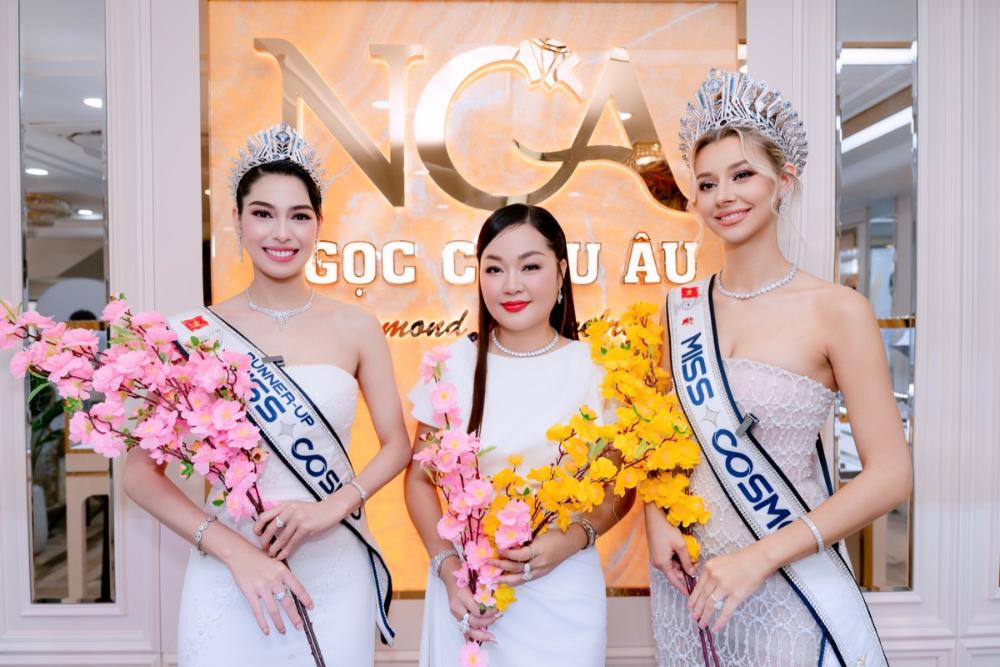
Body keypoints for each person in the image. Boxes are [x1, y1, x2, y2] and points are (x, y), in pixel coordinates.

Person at [646, 70, 912, 667]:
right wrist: (654, 518)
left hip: (790, 586)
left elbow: (891, 476)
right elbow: (659, 442)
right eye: (707, 182)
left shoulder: (837, 310)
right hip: (690, 585)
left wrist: (760, 557)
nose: (724, 195)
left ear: (783, 182)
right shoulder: (679, 310)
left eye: (743, 175)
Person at [123, 123, 411, 666]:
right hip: (230, 569)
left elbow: (397, 444)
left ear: (319, 223)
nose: (282, 233)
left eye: (299, 216)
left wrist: (332, 508)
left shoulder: (356, 326)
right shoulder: (192, 334)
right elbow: (138, 474)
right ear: (236, 219)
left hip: (335, 565)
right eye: (263, 213)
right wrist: (235, 552)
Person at [404, 204, 631, 666]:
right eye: (494, 268)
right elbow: (419, 480)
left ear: (561, 271)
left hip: (564, 593)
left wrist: (570, 541)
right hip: (468, 597)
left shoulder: (599, 370)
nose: (511, 285)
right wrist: (448, 568)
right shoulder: (452, 365)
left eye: (530, 267)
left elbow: (619, 488)